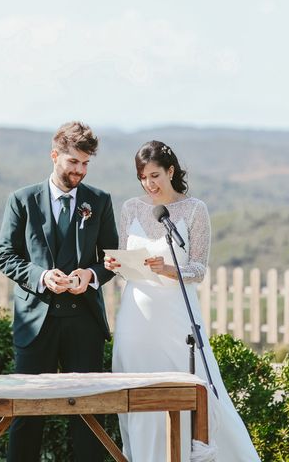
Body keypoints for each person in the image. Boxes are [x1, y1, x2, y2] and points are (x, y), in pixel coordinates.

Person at [105, 140, 260, 461]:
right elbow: (126, 266)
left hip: (176, 318)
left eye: (155, 176)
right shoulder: (131, 208)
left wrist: (169, 269)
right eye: (143, 178)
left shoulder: (194, 210)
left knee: (193, 388)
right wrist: (117, 264)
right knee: (138, 394)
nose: (149, 184)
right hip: (135, 318)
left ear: (171, 171)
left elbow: (199, 269)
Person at [0, 121, 118, 462]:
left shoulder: (100, 201)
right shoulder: (22, 200)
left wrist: (90, 276)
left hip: (85, 323)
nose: (79, 170)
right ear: (54, 156)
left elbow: (111, 259)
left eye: (85, 164)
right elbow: (5, 256)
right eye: (73, 162)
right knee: (27, 412)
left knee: (89, 414)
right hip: (37, 321)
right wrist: (40, 276)